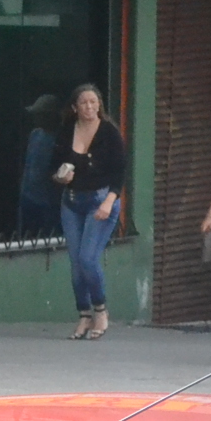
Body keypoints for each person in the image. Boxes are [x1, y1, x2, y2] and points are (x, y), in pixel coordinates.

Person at [54, 82, 126, 341]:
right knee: (76, 264)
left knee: (88, 259)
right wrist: (60, 177)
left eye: (93, 102)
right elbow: (53, 166)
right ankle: (84, 314)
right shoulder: (67, 131)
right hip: (72, 202)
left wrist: (108, 202)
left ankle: (101, 310)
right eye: (84, 103)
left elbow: (120, 172)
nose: (89, 107)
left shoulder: (109, 132)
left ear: (99, 105)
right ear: (75, 107)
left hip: (100, 201)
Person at [20, 94, 63, 238]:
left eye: (40, 115)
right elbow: (28, 164)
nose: (36, 118)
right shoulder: (35, 135)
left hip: (49, 202)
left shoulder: (61, 139)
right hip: (28, 197)